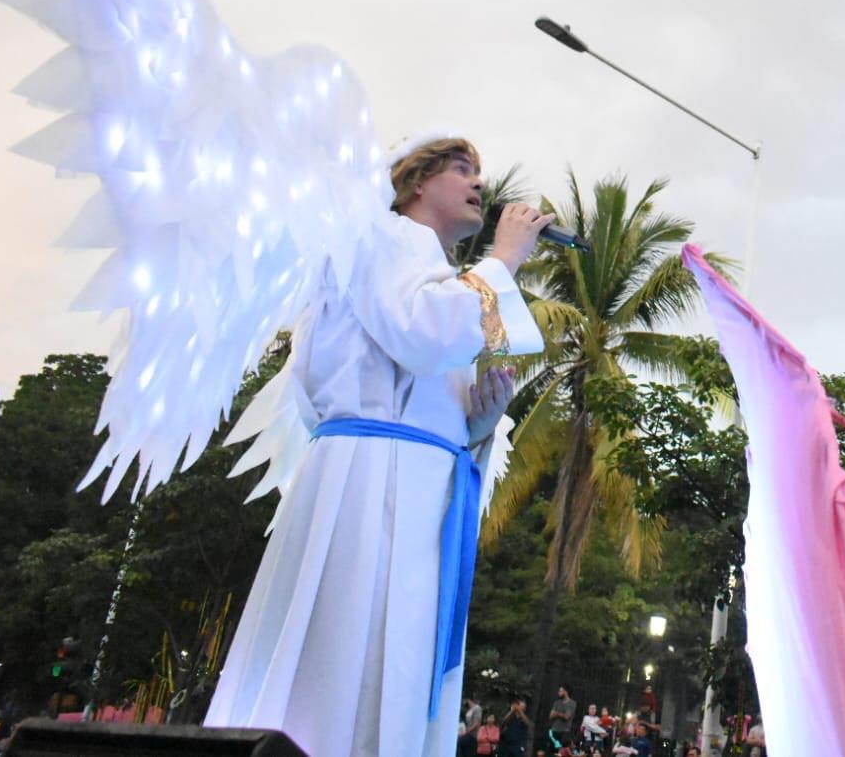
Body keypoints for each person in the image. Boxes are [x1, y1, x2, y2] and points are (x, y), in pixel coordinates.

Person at [205, 137, 551, 756]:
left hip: (415, 480)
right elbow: (422, 336)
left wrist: (475, 425)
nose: (478, 183)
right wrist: (504, 257)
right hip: (371, 477)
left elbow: (424, 369)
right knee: (352, 648)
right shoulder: (381, 239)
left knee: (399, 646)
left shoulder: (435, 273)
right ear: (416, 182)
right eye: (462, 169)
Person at [547, 686, 576, 751]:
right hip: (554, 731)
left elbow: (566, 717)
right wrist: (561, 714)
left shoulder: (572, 703)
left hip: (564, 732)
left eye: (560, 691)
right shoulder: (557, 702)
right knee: (552, 752)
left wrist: (556, 713)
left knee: (562, 752)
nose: (558, 693)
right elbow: (550, 716)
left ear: (566, 692)